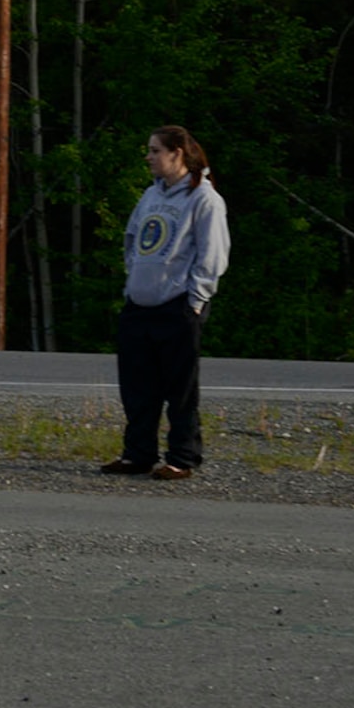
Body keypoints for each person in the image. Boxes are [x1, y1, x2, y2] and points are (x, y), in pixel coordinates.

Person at [101, 125, 231, 482]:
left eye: (155, 150)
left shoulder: (203, 199)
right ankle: (138, 454)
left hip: (177, 306)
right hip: (140, 305)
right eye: (150, 149)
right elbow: (132, 238)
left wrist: (196, 299)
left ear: (177, 153)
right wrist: (134, 282)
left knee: (180, 388)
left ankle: (182, 457)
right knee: (137, 386)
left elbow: (213, 254)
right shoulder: (151, 196)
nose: (149, 157)